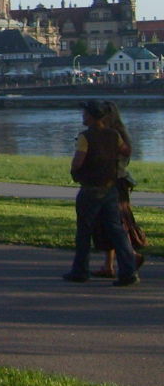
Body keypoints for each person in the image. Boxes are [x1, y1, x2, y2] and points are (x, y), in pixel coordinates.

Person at [64, 101, 138, 286]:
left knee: (84, 231)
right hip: (110, 187)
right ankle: (128, 272)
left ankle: (80, 271)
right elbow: (126, 150)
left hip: (90, 188)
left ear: (91, 116)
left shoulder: (85, 137)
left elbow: (78, 162)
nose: (83, 116)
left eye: (85, 114)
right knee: (117, 231)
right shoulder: (114, 135)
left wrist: (76, 172)